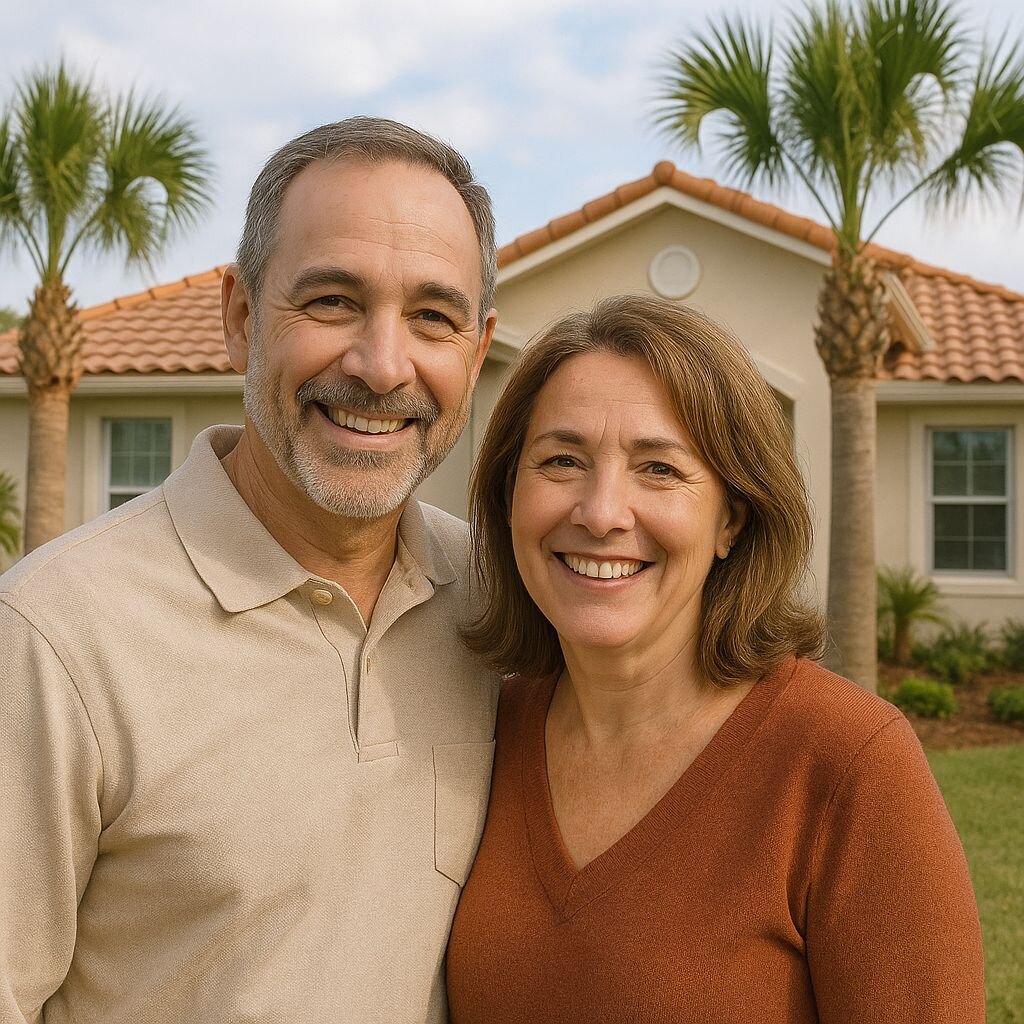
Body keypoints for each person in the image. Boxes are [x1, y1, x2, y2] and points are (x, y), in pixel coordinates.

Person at [0, 117, 500, 1023]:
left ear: (476, 345)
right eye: (332, 302)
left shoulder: (500, 609)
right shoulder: (55, 635)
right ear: (238, 318)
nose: (383, 366)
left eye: (432, 316)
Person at [446, 294, 984, 1023]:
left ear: (731, 517)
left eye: (659, 468)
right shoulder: (477, 728)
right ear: (510, 495)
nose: (602, 512)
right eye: (562, 460)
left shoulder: (847, 763)